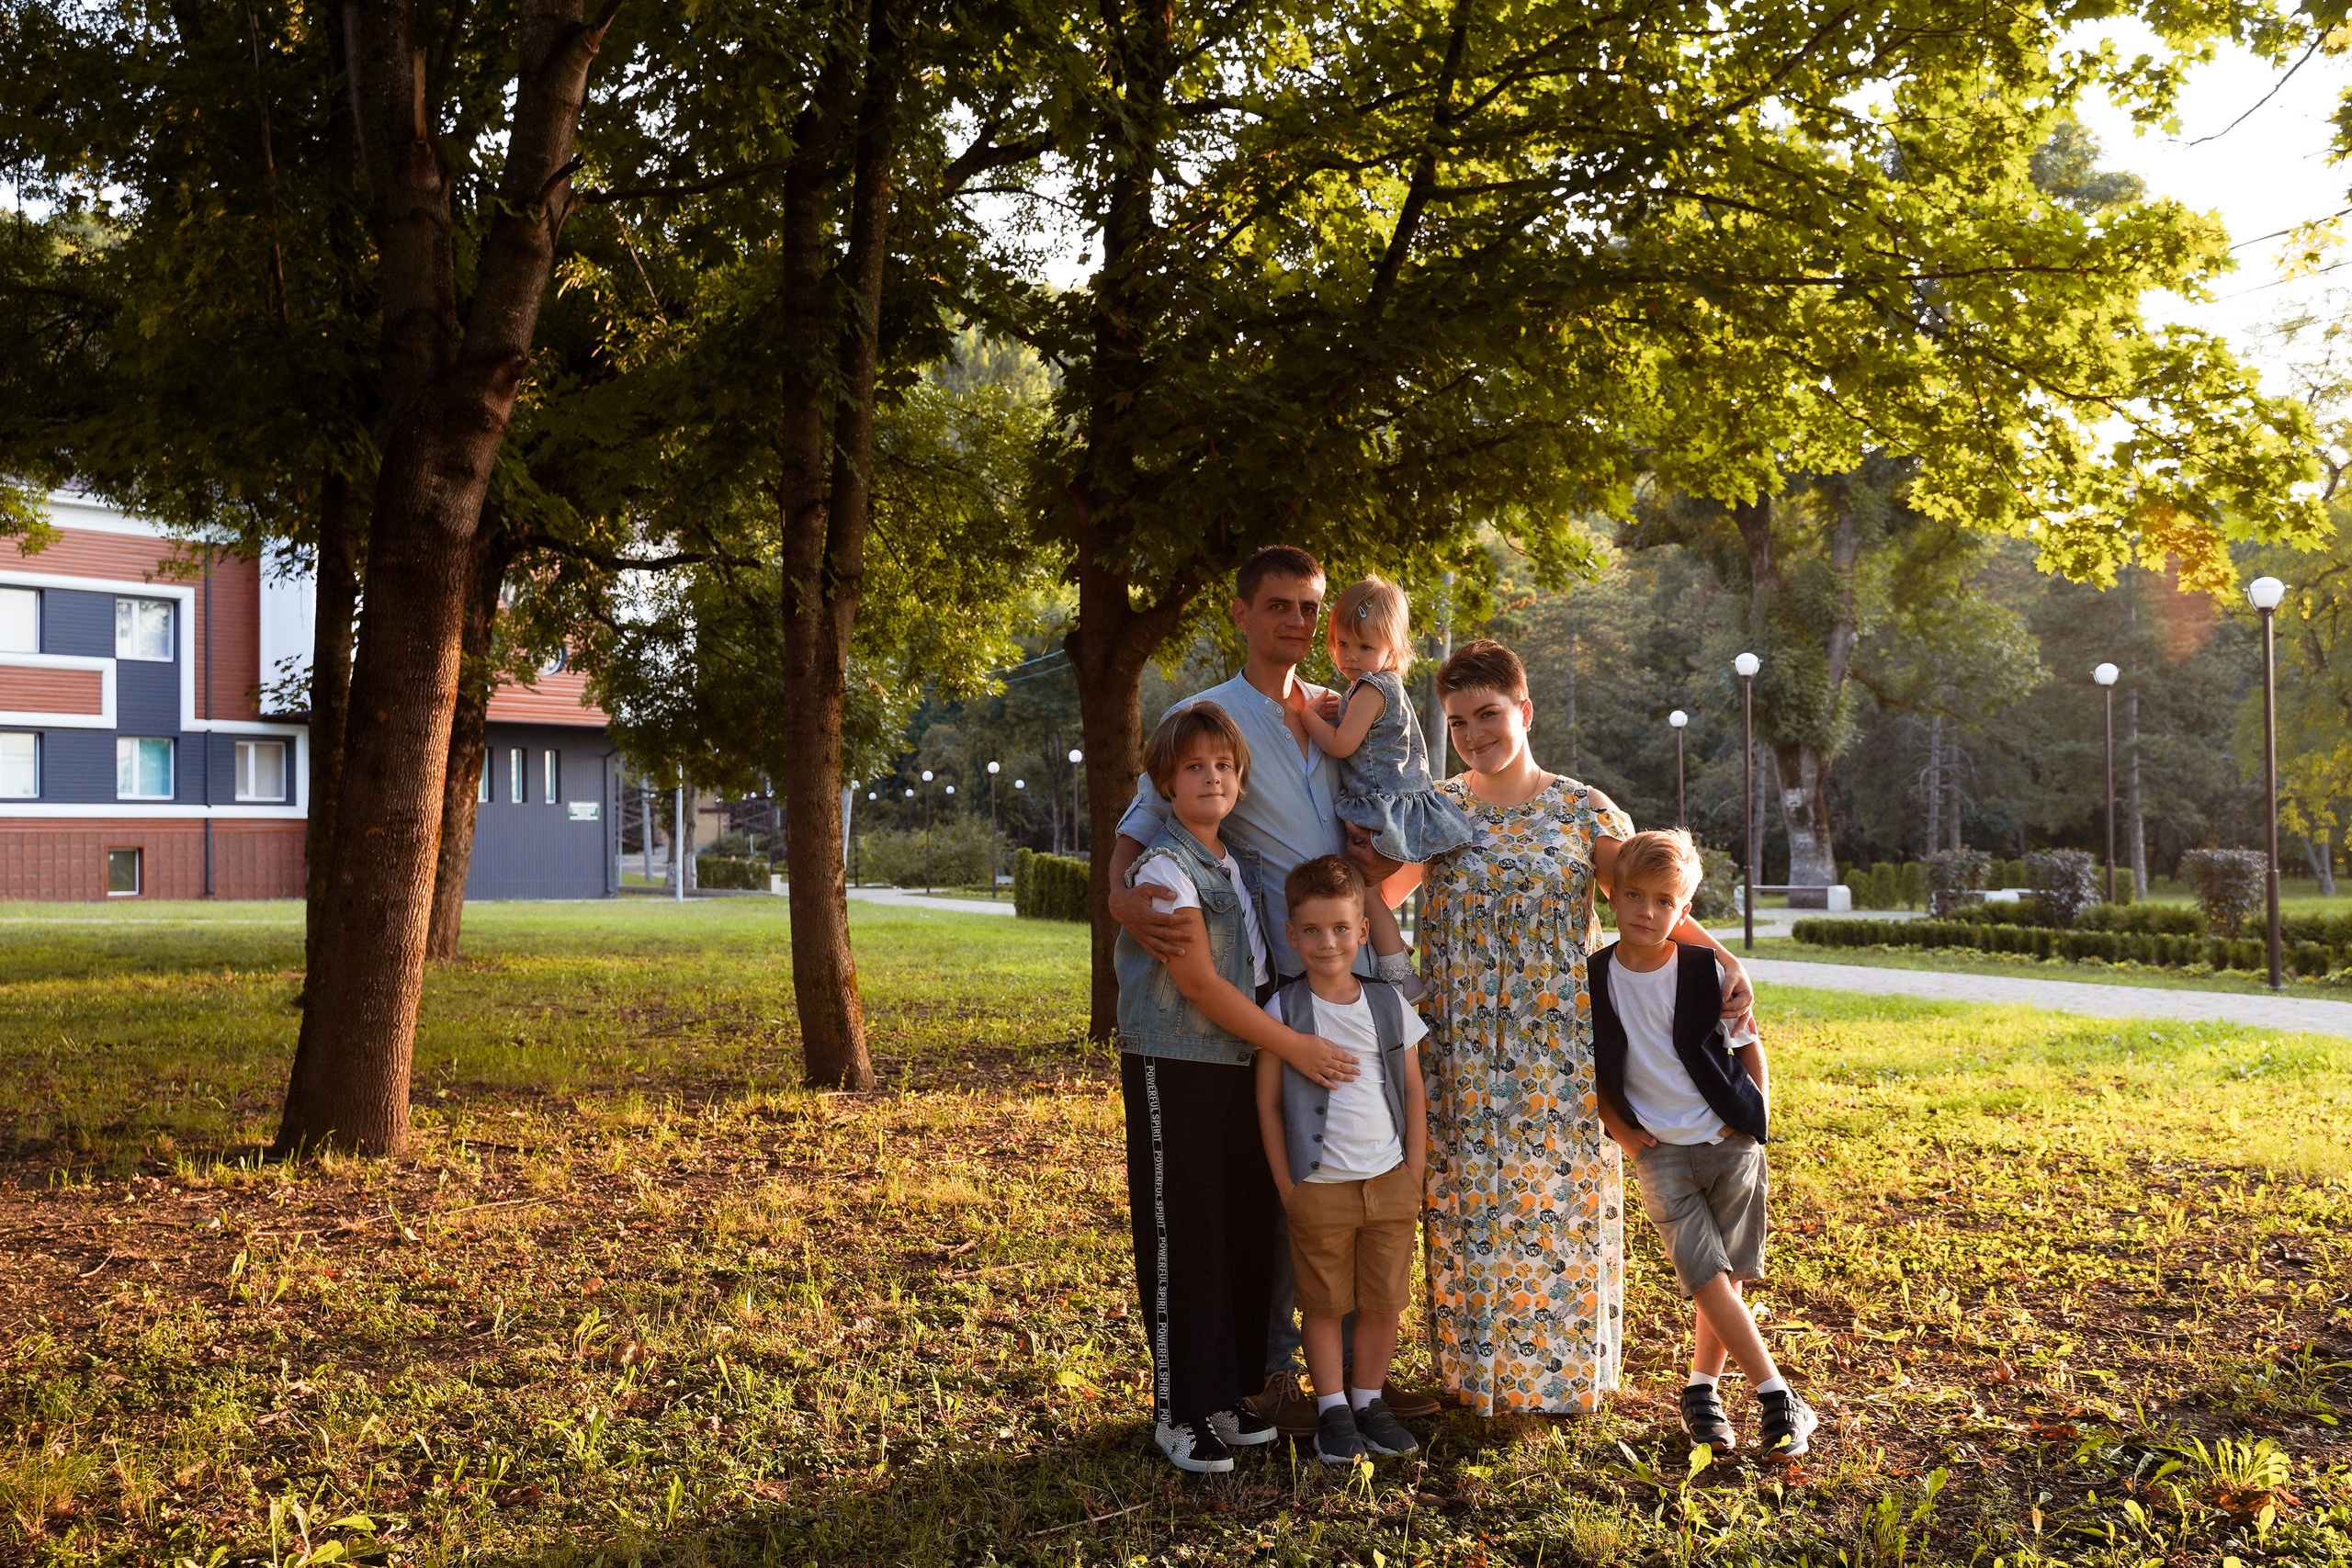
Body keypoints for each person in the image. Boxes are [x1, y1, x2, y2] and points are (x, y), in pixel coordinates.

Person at [1363, 638, 1756, 1416]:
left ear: (1524, 709)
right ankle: (1479, 1381)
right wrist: (1406, 981)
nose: (1474, 733)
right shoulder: (1437, 808)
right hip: (1462, 1046)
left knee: (1555, 1206)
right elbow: (1375, 896)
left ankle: (1561, 1380)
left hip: (1560, 1049)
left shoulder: (1583, 809)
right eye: (1458, 720)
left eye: (1488, 714)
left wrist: (1723, 959)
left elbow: (1650, 903)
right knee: (1472, 1204)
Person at [1107, 544, 1442, 1431]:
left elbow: (1397, 850)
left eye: (1310, 607)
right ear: (1242, 612)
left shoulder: (1346, 712)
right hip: (1277, 989)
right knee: (1288, 1173)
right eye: (1280, 605)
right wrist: (1122, 906)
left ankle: (1352, 1385)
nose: (1296, 621)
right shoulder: (1207, 717)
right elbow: (1136, 842)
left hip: (1360, 973)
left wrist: (1385, 886)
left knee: (1354, 1167)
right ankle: (1276, 1375)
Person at [1111, 702, 1362, 1473]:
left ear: (1240, 778)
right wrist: (1296, 1047)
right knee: (1184, 1235)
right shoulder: (1163, 870)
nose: (1212, 777)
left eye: (1223, 765)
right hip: (1178, 1063)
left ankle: (1224, 1394)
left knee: (1238, 1230)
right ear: (1165, 782)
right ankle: (1179, 1413)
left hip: (1238, 1066)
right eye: (1194, 767)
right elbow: (1202, 987)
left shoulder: (1230, 863)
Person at [1591, 829, 1815, 1458]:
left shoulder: (1706, 969)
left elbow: (1748, 1043)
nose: (1646, 910)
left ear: (1683, 910)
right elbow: (1595, 1072)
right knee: (1702, 1271)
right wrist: (1631, 1140)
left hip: (1728, 1141)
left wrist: (1751, 1116)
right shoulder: (1594, 979)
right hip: (1658, 1150)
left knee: (1726, 1273)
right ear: (1613, 896)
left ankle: (1701, 1392)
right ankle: (1777, 1394)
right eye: (1633, 894)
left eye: (1665, 901)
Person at [1253, 856, 1429, 1463]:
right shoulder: (1283, 1010)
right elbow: (1269, 1103)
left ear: (1360, 931)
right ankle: (1331, 1408)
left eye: (1340, 928)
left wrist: (1414, 1169)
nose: (1328, 942)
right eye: (1313, 930)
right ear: (1292, 933)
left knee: (1383, 1301)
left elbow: (1411, 1089)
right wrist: (1287, 1184)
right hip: (1319, 1185)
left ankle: (1368, 1399)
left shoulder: (1387, 1004)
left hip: (1388, 1181)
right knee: (1325, 1303)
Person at [1288, 577, 1474, 1000]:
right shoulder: (1372, 687)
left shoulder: (1373, 687)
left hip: (1380, 807)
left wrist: (1304, 716)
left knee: (1361, 888)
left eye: (1365, 648)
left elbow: (1341, 744)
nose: (1350, 657)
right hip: (1388, 800)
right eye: (1341, 644)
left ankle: (1398, 973)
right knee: (1367, 891)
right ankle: (1392, 953)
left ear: (1392, 649)